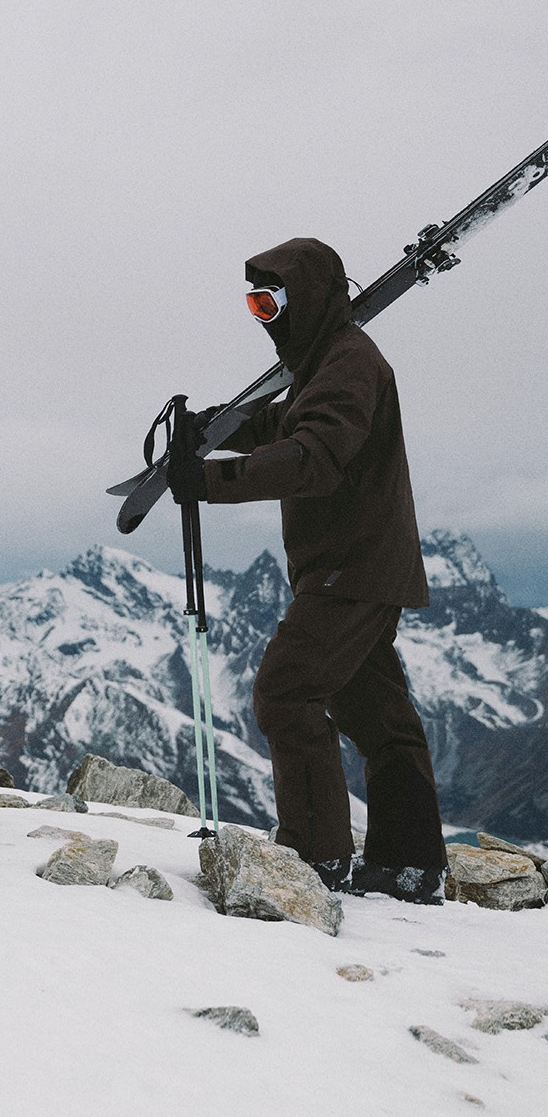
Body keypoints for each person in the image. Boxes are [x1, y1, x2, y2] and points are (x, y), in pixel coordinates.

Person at [168, 236, 448, 905]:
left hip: (350, 571)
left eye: (271, 303)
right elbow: (283, 423)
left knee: (286, 692)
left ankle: (315, 859)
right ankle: (408, 864)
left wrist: (208, 479)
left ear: (310, 298)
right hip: (357, 567)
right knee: (376, 714)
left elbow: (311, 456)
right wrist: (222, 428)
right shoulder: (328, 362)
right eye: (254, 306)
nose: (265, 319)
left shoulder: (349, 364)